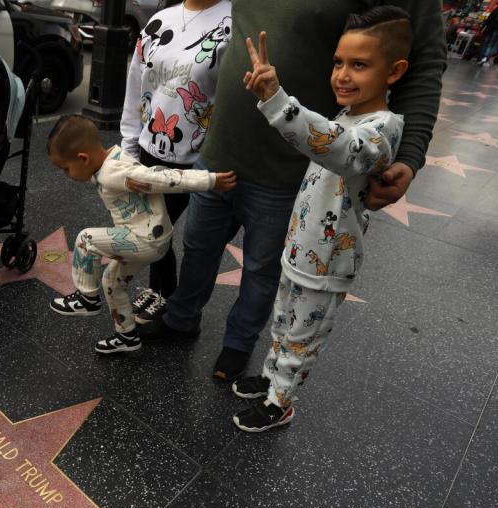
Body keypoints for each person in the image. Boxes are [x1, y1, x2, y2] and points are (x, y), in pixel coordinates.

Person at [139, 0, 445, 383]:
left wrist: (411, 153)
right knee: (198, 248)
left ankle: (238, 343)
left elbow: (424, 60)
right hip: (220, 150)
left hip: (286, 171)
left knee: (260, 270)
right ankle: (181, 318)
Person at [230, 7, 410, 432]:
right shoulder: (347, 114)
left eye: (359, 65)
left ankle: (281, 403)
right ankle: (273, 379)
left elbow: (342, 149)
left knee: (301, 337)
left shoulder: (383, 128)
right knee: (281, 322)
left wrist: (277, 100)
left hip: (328, 262)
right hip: (301, 249)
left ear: (395, 71)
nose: (343, 75)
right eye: (338, 63)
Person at [46, 115, 236, 355]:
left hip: (145, 240)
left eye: (66, 169)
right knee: (112, 282)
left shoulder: (115, 172)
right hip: (144, 238)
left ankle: (86, 298)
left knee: (86, 239)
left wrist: (209, 180)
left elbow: (163, 178)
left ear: (83, 158)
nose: (67, 175)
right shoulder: (115, 158)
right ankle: (126, 336)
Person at [119, 0, 233, 326]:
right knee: (156, 230)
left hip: (200, 158)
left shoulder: (235, 22)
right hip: (150, 148)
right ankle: (161, 294)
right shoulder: (159, 20)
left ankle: (181, 311)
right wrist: (128, 149)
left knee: (193, 241)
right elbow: (135, 89)